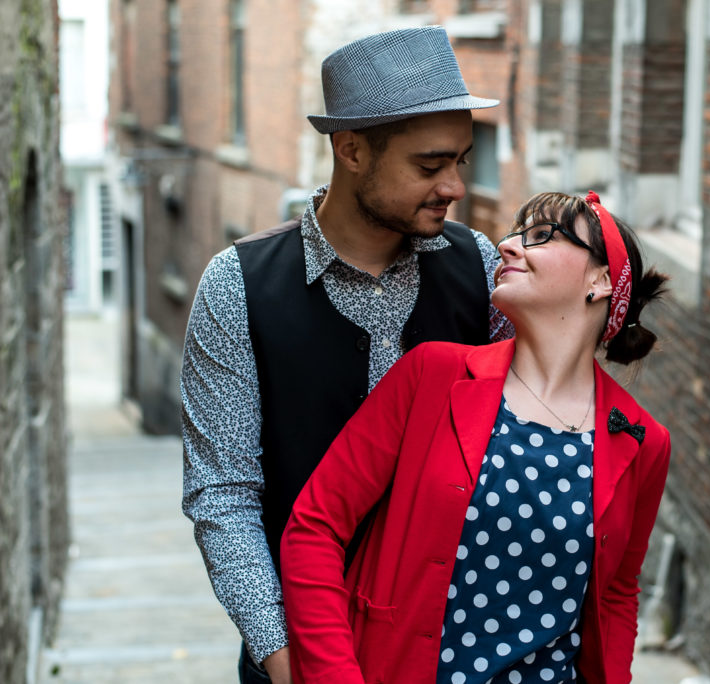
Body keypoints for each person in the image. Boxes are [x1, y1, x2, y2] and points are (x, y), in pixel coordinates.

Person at [180, 26, 514, 684]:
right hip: (300, 654)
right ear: (352, 149)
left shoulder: (479, 266)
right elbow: (223, 497)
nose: (453, 185)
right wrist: (284, 660)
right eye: (428, 165)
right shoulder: (236, 285)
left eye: (461, 161)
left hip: (456, 649)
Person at [280, 190, 671, 683]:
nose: (508, 246)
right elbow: (315, 528)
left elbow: (616, 594)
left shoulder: (641, 442)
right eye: (515, 233)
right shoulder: (431, 376)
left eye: (542, 236)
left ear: (599, 279)